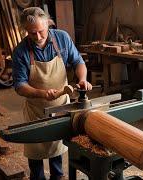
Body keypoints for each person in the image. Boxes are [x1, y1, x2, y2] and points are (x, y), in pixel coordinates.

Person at [12, 7, 92, 180]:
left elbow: (78, 61)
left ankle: (57, 176)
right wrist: (41, 93)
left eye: (41, 31)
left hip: (61, 106)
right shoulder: (21, 51)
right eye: (33, 34)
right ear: (26, 31)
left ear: (48, 23)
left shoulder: (61, 38)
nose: (38, 37)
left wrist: (83, 78)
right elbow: (19, 86)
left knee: (57, 147)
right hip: (36, 109)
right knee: (36, 151)